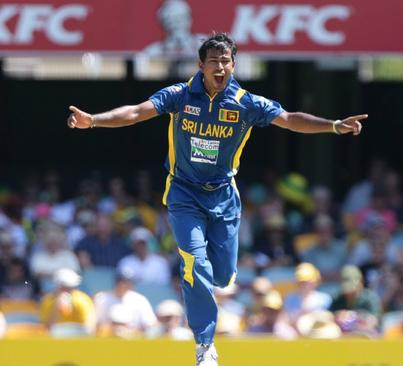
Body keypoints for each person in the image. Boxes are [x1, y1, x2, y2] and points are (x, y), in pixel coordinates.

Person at [66, 32, 367, 366]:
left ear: (234, 65)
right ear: (201, 65)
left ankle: (208, 283)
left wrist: (334, 125)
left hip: (224, 197)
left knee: (222, 276)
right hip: (183, 193)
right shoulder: (180, 96)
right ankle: (205, 345)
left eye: (226, 62)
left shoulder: (245, 102)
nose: (220, 68)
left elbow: (290, 119)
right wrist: (92, 121)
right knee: (195, 263)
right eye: (214, 62)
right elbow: (137, 112)